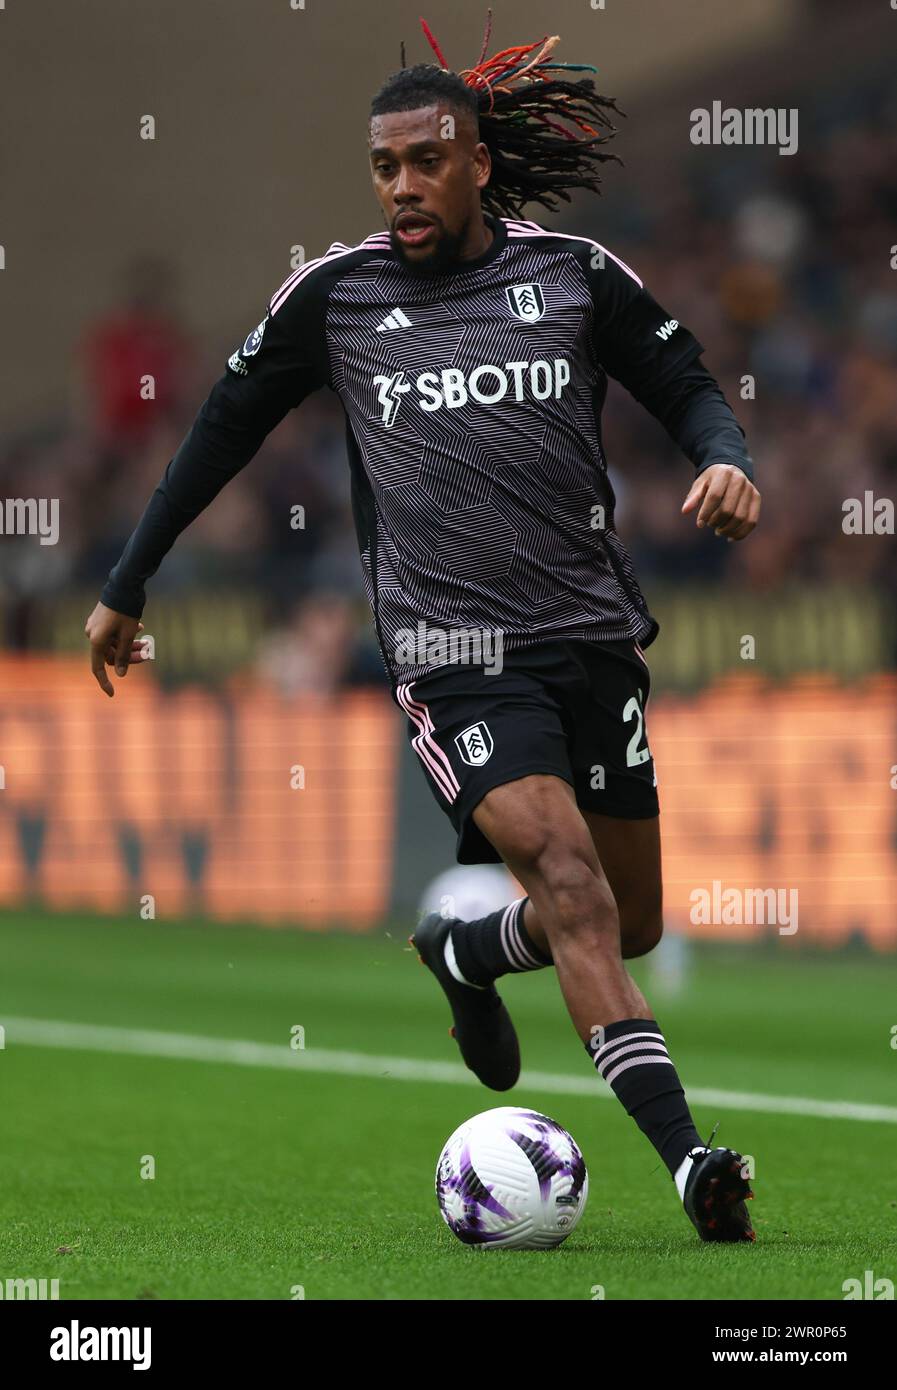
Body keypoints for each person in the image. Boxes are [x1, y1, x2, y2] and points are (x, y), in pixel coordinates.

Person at [85, 22, 761, 1242]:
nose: (400, 186)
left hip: (591, 636)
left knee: (628, 916)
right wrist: (128, 582)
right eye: (384, 166)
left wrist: (722, 457)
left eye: (424, 162)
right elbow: (218, 434)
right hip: (452, 653)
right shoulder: (339, 296)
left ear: (477, 165)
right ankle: (691, 1163)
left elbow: (688, 382)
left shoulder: (573, 273)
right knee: (571, 884)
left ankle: (464, 953)